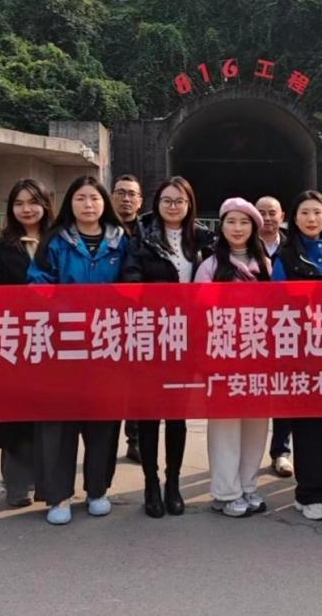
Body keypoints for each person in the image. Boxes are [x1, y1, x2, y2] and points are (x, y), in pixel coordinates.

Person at [27, 176, 130, 525]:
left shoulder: (122, 240)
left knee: (103, 419)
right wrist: (65, 309)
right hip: (62, 344)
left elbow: (133, 283)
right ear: (70, 203)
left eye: (94, 199)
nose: (88, 205)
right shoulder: (55, 240)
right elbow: (37, 283)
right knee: (59, 421)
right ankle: (58, 495)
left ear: (104, 204)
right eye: (81, 198)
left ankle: (98, 490)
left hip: (106, 344)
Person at [122, 176, 214, 518]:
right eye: (167, 200)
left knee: (177, 415)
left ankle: (173, 483)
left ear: (189, 205)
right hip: (151, 335)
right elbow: (130, 279)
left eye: (180, 201)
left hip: (188, 339)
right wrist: (158, 302)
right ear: (157, 203)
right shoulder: (141, 237)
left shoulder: (204, 239)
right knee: (149, 415)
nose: (173, 206)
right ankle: (151, 482)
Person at [272, 190, 322, 521]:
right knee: (308, 427)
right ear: (294, 218)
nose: (311, 219)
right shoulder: (286, 255)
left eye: (317, 212)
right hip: (301, 352)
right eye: (304, 213)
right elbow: (277, 305)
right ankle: (308, 494)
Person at [194, 198, 272, 518]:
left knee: (256, 424)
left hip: (258, 357)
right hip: (223, 357)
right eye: (230, 221)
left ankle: (249, 485)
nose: (237, 228)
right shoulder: (209, 266)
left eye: (243, 222)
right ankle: (226, 491)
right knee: (225, 426)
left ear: (253, 227)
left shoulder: (265, 264)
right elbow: (199, 315)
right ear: (221, 227)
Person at [0, 178, 55, 507]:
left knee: (50, 413)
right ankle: (17, 484)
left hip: (53, 339)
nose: (27, 209)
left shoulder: (58, 240)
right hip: (13, 339)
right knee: (15, 412)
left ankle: (48, 482)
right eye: (19, 203)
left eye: (33, 202)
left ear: (46, 205)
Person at [256, 195, 293, 478]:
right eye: (262, 213)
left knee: (284, 392)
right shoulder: (242, 244)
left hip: (285, 327)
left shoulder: (293, 248)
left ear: (282, 217)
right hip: (251, 330)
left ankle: (281, 451)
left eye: (272, 213)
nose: (267, 218)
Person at [111, 174, 145, 463]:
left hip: (139, 317)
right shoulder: (101, 228)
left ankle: (134, 440)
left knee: (137, 382)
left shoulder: (148, 231)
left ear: (140, 201)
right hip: (106, 316)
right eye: (121, 193)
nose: (126, 199)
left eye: (132, 194)